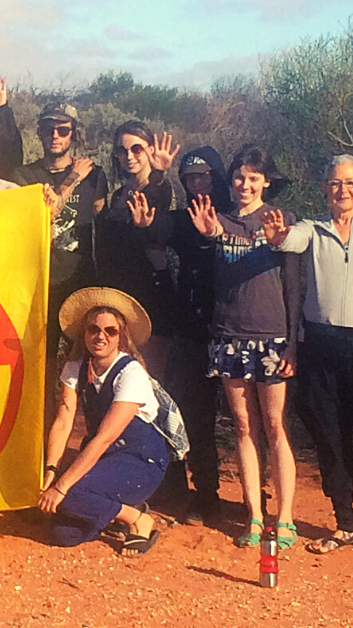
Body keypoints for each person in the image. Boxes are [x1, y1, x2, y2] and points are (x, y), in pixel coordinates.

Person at [263, 155, 353, 565]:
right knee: (330, 437)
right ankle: (344, 524)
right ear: (324, 189)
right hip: (322, 346)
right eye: (334, 183)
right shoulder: (313, 230)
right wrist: (277, 237)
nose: (342, 191)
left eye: (350, 183)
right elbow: (289, 240)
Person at [187, 144, 300, 549]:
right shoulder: (219, 220)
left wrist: (293, 343)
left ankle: (284, 516)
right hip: (229, 335)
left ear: (266, 182)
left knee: (274, 426)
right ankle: (254, 514)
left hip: (272, 335)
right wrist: (208, 236)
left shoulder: (282, 220)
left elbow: (294, 285)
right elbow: (209, 246)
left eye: (254, 177)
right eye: (239, 177)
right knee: (243, 425)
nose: (245, 184)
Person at [38, 287, 167, 556]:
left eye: (110, 331)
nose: (100, 336)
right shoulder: (76, 366)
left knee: (69, 495)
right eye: (93, 329)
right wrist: (51, 469)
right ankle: (117, 511)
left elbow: (104, 437)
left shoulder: (131, 374)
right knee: (64, 534)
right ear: (84, 333)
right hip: (105, 458)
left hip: (139, 461)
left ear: (122, 337)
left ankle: (137, 520)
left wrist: (62, 486)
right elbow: (64, 418)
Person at [11, 103, 107, 420]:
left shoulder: (96, 177)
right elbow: (44, 213)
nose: (55, 135)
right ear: (38, 132)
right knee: (44, 370)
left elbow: (103, 220)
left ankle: (91, 451)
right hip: (40, 285)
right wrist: (71, 180)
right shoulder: (23, 176)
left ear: (73, 135)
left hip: (80, 284)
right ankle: (43, 453)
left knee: (90, 370)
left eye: (63, 130)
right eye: (49, 129)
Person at [164, 147, 230, 525]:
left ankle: (262, 498)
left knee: (252, 420)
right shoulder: (184, 219)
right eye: (188, 178)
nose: (195, 183)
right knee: (196, 416)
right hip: (193, 330)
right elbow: (159, 227)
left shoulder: (238, 213)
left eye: (202, 176)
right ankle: (204, 494)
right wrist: (144, 224)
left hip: (238, 330)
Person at [95, 121, 179, 376]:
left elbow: (156, 199)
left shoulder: (158, 189)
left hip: (151, 295)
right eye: (122, 150)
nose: (129, 156)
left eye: (136, 149)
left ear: (150, 151)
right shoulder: (119, 195)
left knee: (147, 379)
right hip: (119, 296)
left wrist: (159, 173)